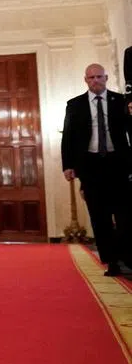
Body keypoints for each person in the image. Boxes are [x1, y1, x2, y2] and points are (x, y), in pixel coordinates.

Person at [61, 63, 132, 277]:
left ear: (106, 78)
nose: (96, 81)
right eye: (91, 77)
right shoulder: (75, 105)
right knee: (99, 218)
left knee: (125, 216)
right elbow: (68, 137)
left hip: (117, 164)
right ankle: (111, 261)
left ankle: (125, 255)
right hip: (91, 166)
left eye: (99, 77)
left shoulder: (121, 102)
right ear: (85, 80)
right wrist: (68, 165)